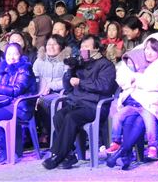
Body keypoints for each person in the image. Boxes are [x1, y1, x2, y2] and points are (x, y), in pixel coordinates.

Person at [43, 35, 117, 170]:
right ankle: (69, 155)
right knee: (59, 116)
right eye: (82, 47)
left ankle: (58, 155)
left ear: (96, 48)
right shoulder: (80, 63)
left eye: (87, 47)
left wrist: (81, 82)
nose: (83, 50)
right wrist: (70, 70)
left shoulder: (106, 65)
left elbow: (104, 86)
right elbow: (67, 87)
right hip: (77, 103)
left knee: (71, 118)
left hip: (95, 105)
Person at [107, 31, 158, 164]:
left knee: (139, 120)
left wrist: (136, 79)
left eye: (154, 50)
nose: (148, 52)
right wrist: (135, 80)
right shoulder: (139, 59)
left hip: (154, 105)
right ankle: (124, 152)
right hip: (138, 102)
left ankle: (127, 151)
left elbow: (155, 85)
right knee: (128, 117)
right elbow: (122, 77)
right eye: (147, 48)